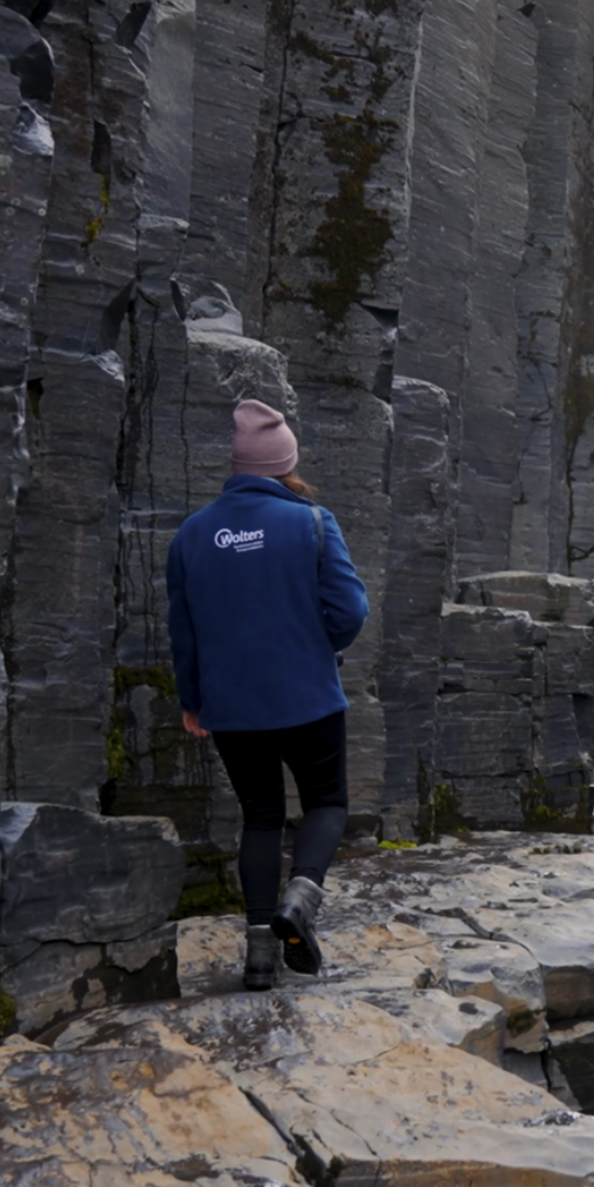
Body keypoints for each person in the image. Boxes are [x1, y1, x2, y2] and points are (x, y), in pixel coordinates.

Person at [167, 399, 370, 992]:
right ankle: (301, 899)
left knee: (260, 816)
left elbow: (184, 630)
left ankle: (260, 959)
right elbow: (351, 611)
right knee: (327, 802)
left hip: (231, 706)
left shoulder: (191, 534)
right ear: (285, 463)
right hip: (307, 695)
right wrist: (321, 645)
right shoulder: (310, 520)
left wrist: (193, 697)